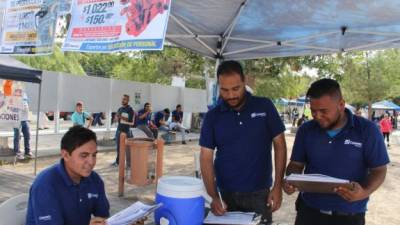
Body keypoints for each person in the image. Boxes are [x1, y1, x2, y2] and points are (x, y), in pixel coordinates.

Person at [284, 79, 389, 225]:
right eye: (313, 110)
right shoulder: (306, 130)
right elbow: (295, 164)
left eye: (323, 111)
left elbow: (379, 170)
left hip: (349, 215)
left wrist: (364, 192)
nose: (317, 116)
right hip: (309, 212)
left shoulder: (367, 130)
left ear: (341, 105)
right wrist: (290, 179)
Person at [199, 60, 287, 225]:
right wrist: (213, 196)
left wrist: (277, 186)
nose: (231, 95)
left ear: (244, 81)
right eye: (224, 90)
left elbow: (280, 144)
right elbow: (205, 157)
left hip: (260, 194)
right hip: (225, 194)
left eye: (236, 88)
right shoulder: (213, 116)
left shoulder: (264, 106)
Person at [26, 126, 145, 225]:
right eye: (84, 155)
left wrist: (127, 221)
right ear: (65, 155)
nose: (91, 162)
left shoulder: (94, 180)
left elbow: (103, 217)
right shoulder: (45, 185)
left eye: (94, 155)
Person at [113, 94, 135, 166]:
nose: (123, 100)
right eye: (122, 99)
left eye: (125, 99)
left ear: (128, 101)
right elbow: (116, 119)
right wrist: (115, 118)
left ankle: (129, 164)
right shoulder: (120, 109)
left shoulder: (130, 109)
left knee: (128, 148)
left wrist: (120, 116)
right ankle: (118, 162)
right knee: (118, 147)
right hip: (119, 130)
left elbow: (130, 120)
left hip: (126, 131)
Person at [13, 90, 32, 159]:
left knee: (27, 135)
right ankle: (17, 152)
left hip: (25, 119)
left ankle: (27, 151)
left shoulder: (24, 93)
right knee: (17, 136)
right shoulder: (14, 93)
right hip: (17, 120)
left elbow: (26, 103)